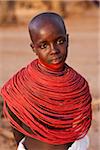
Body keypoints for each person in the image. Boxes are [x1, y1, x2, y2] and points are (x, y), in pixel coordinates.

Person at [0, 12, 92, 150]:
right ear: (34, 48)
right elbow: (16, 124)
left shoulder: (78, 85)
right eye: (44, 45)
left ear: (68, 40)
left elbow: (79, 126)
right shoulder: (19, 85)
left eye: (60, 41)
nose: (53, 50)